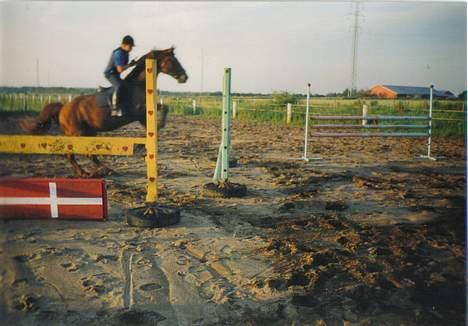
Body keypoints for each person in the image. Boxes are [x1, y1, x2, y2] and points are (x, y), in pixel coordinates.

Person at [104, 35, 137, 116]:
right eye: (130, 46)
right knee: (119, 86)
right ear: (124, 45)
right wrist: (130, 65)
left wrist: (131, 64)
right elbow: (120, 69)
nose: (131, 49)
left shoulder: (125, 53)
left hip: (116, 74)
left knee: (126, 86)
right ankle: (115, 108)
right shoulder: (118, 53)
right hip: (110, 74)